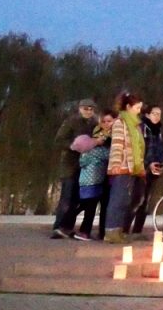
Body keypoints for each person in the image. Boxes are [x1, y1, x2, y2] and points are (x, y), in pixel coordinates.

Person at [51, 98, 98, 239]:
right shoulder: (71, 122)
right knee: (66, 197)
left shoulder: (95, 124)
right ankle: (58, 226)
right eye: (85, 108)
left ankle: (68, 227)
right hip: (69, 165)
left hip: (86, 167)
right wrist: (72, 145)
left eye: (91, 109)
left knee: (77, 199)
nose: (88, 111)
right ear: (79, 108)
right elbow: (59, 140)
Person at [104, 93, 147, 244]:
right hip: (121, 166)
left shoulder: (136, 125)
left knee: (125, 200)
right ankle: (110, 231)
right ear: (128, 107)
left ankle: (119, 230)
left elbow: (140, 148)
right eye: (137, 107)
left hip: (132, 168)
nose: (139, 111)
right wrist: (115, 165)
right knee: (117, 199)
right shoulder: (120, 123)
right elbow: (117, 145)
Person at [73, 110, 115, 241]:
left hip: (109, 174)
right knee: (90, 204)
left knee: (105, 205)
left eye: (109, 121)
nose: (106, 124)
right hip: (94, 176)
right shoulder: (96, 133)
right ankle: (84, 230)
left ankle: (103, 232)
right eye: (104, 121)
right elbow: (86, 152)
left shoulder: (116, 135)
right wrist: (96, 145)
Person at [132, 104, 163, 235]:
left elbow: (160, 150)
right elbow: (139, 150)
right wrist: (148, 164)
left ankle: (137, 231)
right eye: (154, 113)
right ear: (147, 114)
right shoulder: (142, 128)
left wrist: (162, 164)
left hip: (153, 172)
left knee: (146, 201)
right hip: (141, 170)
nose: (157, 116)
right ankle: (124, 229)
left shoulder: (159, 132)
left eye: (159, 114)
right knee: (137, 200)